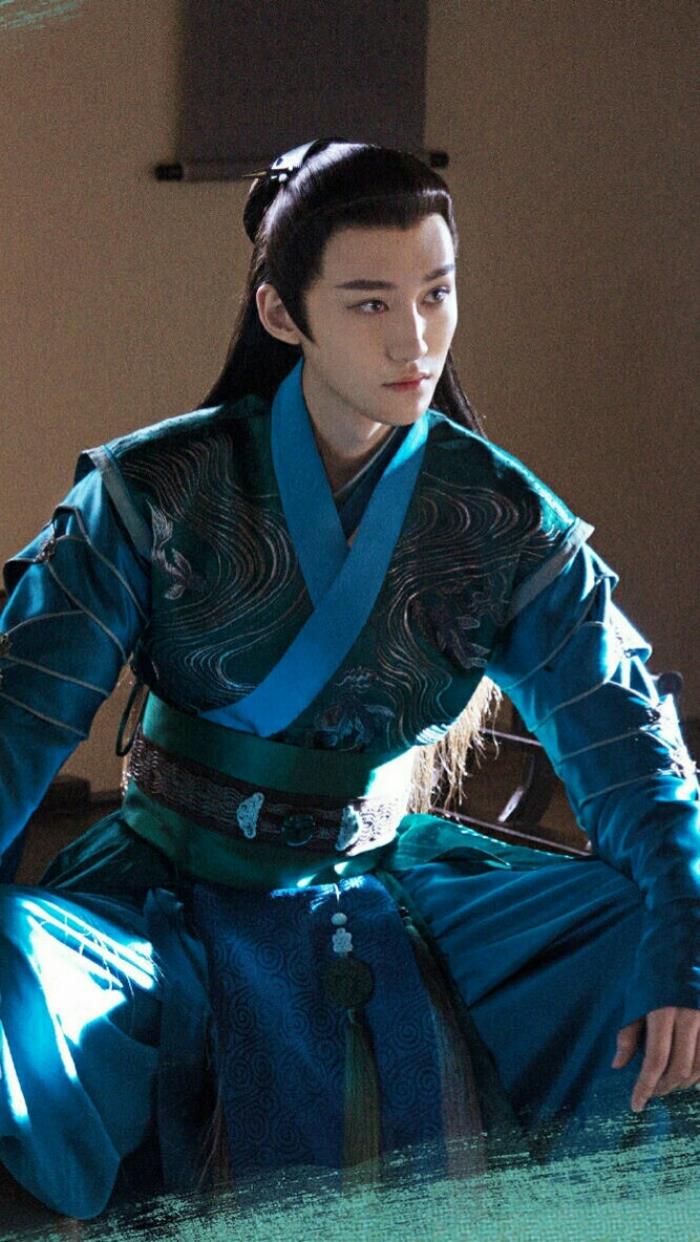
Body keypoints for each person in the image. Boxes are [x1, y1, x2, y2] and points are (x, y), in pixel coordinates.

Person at [0, 139, 698, 1221]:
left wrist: (680, 945)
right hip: (162, 894)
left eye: (437, 294)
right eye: (370, 302)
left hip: (387, 885)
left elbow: (626, 755)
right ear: (283, 314)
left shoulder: (506, 522)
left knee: (647, 933)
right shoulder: (150, 492)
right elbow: (17, 722)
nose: (414, 339)